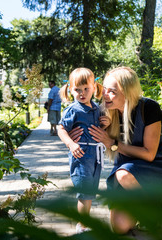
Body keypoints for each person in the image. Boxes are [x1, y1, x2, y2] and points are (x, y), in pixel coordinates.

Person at [72, 66, 162, 234]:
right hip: (126, 169)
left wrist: (112, 143)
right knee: (120, 227)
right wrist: (72, 137)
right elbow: (78, 125)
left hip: (156, 165)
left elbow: (149, 154)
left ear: (127, 93)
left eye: (112, 91)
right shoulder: (104, 111)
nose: (105, 95)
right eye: (104, 89)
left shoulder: (149, 108)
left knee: (124, 174)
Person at [57, 67, 110, 233]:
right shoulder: (73, 110)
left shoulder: (97, 109)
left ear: (94, 87)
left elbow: (99, 130)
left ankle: (84, 223)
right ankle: (82, 225)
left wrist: (106, 124)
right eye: (77, 90)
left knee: (90, 191)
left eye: (86, 88)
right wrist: (71, 144)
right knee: (84, 192)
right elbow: (61, 129)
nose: (82, 93)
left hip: (95, 157)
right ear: (70, 90)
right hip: (80, 155)